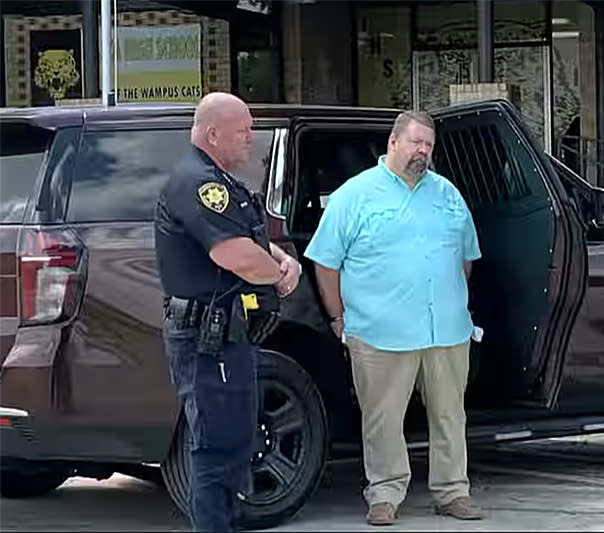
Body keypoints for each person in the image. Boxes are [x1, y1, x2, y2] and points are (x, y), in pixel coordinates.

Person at [304, 110, 484, 526]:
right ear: (393, 142)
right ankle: (384, 493)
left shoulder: (447, 194)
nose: (422, 151)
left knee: (449, 414)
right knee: (383, 418)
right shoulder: (354, 195)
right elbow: (325, 263)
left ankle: (452, 491)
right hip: (379, 331)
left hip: (446, 330)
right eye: (416, 142)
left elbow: (466, 258)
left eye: (429, 145)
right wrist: (338, 318)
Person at [154, 92, 302, 532]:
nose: (250, 140)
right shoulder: (199, 183)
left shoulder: (222, 183)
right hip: (206, 337)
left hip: (226, 336)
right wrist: (277, 274)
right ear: (213, 133)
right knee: (217, 450)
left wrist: (280, 256)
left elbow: (249, 237)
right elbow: (233, 254)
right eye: (243, 131)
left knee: (235, 443)